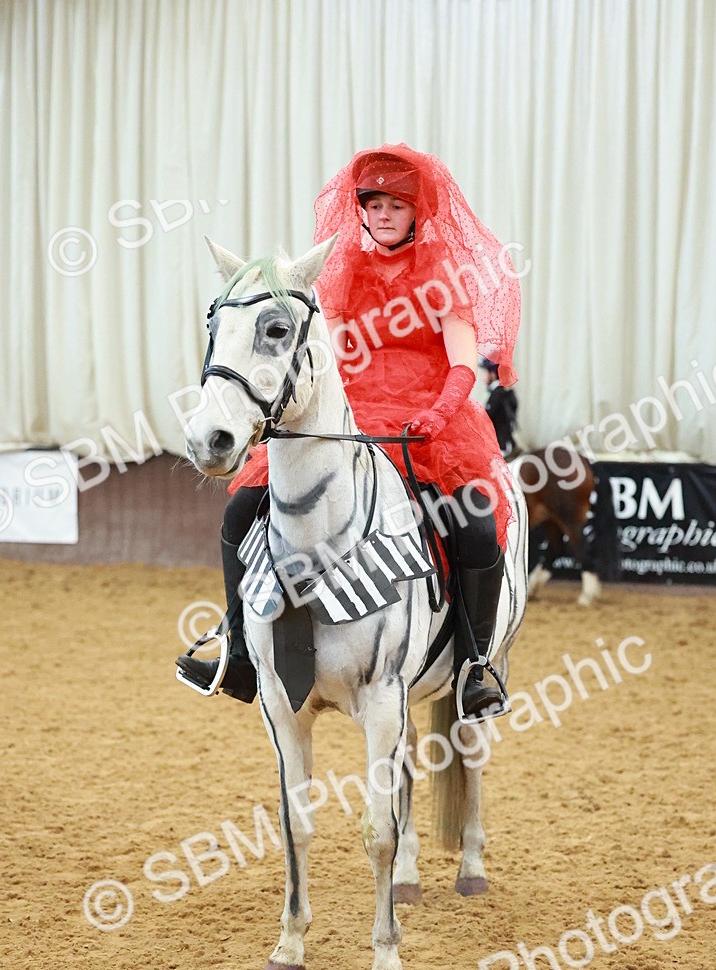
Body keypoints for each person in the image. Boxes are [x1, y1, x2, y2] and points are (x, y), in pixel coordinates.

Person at [177, 144, 522, 720]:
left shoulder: (442, 275)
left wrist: (440, 412)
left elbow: (464, 362)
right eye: (373, 203)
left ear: (417, 211)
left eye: (396, 204)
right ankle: (237, 650)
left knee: (476, 522)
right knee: (241, 512)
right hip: (353, 416)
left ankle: (475, 665)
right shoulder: (340, 273)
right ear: (360, 209)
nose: (383, 214)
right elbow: (325, 361)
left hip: (429, 417)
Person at [480, 356, 519, 459]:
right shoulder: (502, 392)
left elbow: (485, 420)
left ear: (493, 374)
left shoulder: (498, 394)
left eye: (485, 372)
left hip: (501, 446)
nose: (482, 376)